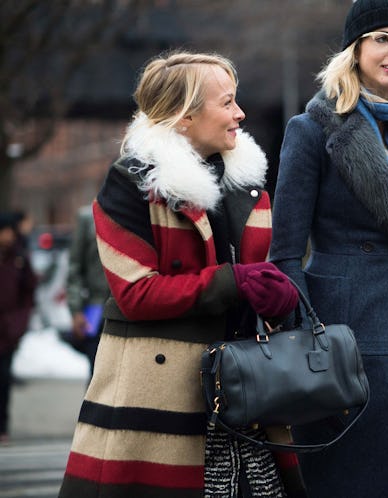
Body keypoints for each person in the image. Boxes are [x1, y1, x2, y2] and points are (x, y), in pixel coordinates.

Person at [58, 51, 303, 498]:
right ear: (184, 116)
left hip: (247, 396)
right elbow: (136, 293)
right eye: (227, 102)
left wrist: (276, 297)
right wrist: (235, 282)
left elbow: (264, 270)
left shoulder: (247, 183)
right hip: (160, 402)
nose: (240, 114)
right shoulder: (131, 183)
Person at [269, 1, 388, 496]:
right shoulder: (311, 130)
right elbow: (286, 253)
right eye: (381, 38)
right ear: (354, 50)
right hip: (343, 345)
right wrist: (307, 346)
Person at [0, 212, 37, 443]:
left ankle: (2, 425)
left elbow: (29, 292)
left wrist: (19, 323)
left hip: (8, 330)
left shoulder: (19, 258)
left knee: (3, 379)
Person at [65, 205, 109, 379]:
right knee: (97, 377)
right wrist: (75, 310)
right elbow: (74, 267)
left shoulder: (140, 211)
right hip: (96, 309)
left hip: (131, 310)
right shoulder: (88, 217)